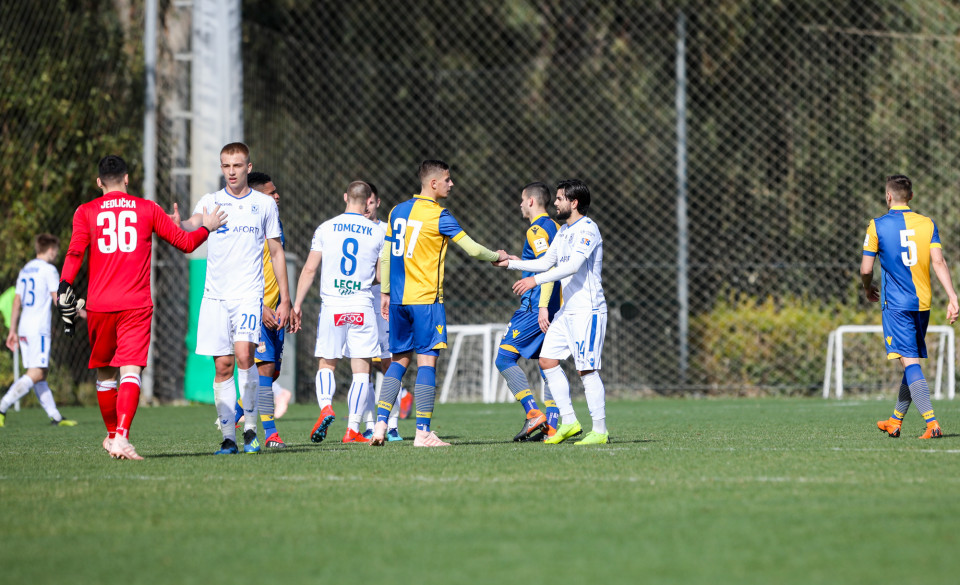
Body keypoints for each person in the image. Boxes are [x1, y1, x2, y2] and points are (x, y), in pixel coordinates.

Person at [57, 155, 225, 459]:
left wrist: (64, 285)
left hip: (99, 305)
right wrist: (207, 227)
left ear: (99, 182)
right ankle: (120, 436)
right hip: (135, 304)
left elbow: (75, 252)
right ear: (127, 178)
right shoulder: (147, 208)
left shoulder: (85, 211)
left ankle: (114, 436)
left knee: (106, 376)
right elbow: (186, 244)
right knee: (131, 370)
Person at [370, 160, 508, 447]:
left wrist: (385, 293)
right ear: (433, 183)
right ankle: (422, 433)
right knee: (426, 363)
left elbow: (386, 256)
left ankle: (380, 425)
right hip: (426, 301)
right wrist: (498, 257)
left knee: (398, 362)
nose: (451, 183)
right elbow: (472, 249)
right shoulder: (440, 215)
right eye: (447, 179)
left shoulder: (397, 211)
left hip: (398, 301)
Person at [180, 142, 294, 455]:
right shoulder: (212, 201)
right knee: (223, 366)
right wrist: (178, 223)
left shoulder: (264, 204)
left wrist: (285, 299)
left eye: (238, 165)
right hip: (215, 297)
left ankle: (251, 431)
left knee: (245, 357)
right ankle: (228, 438)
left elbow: (276, 252)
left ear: (248, 167)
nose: (232, 172)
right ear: (222, 168)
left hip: (248, 295)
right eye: (227, 166)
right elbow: (192, 223)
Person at [495, 179, 609, 445]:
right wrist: (511, 263)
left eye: (559, 199)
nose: (555, 203)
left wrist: (535, 281)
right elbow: (547, 261)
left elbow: (572, 266)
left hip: (588, 310)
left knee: (587, 371)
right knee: (547, 361)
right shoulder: (564, 231)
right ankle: (569, 422)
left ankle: (600, 430)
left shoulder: (588, 229)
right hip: (567, 312)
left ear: (574, 202)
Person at [865, 174, 958, 439]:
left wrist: (867, 287)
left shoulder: (877, 225)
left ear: (888, 196)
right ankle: (895, 421)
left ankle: (932, 423)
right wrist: (952, 296)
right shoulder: (928, 223)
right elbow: (938, 262)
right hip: (923, 304)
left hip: (896, 305)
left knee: (910, 362)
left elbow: (866, 269)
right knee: (910, 360)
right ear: (911, 197)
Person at [292, 181, 383, 444]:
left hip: (333, 306)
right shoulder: (378, 232)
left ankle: (325, 407)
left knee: (327, 363)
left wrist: (297, 305)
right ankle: (352, 429)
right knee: (362, 371)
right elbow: (380, 275)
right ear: (368, 201)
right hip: (361, 306)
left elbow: (310, 269)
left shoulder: (326, 228)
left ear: (345, 197)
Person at [496, 182, 562, 442]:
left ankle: (533, 412)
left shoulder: (535, 230)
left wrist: (542, 306)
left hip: (535, 307)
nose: (521, 205)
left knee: (504, 358)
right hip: (555, 306)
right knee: (548, 364)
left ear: (532, 201)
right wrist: (518, 261)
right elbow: (546, 262)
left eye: (522, 200)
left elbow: (547, 269)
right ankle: (552, 427)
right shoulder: (555, 227)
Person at [0, 234, 78, 428]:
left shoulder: (25, 269)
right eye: (56, 251)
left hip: (24, 327)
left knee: (40, 373)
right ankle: (2, 406)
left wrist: (13, 330)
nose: (57, 255)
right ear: (50, 250)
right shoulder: (49, 270)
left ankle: (55, 416)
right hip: (38, 328)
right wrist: (78, 312)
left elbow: (16, 301)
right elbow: (58, 299)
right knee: (36, 372)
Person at [358, 183, 403, 441]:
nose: (366, 207)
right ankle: (368, 423)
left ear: (378, 203)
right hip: (359, 303)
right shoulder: (350, 229)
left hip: (385, 303)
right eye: (363, 201)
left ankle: (392, 424)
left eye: (371, 202)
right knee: (362, 365)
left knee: (389, 362)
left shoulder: (388, 230)